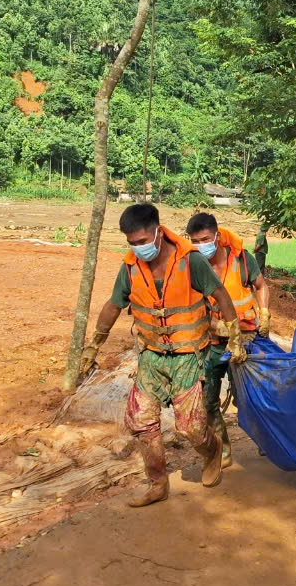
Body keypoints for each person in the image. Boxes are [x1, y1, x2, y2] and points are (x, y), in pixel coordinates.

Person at [76, 204, 248, 507]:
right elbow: (114, 305)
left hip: (187, 355)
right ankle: (157, 483)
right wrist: (93, 347)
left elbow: (220, 294)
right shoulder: (130, 267)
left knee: (191, 428)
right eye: (131, 243)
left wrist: (234, 338)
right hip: (152, 356)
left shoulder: (190, 261)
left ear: (158, 231)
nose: (137, 248)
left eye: (142, 241)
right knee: (141, 422)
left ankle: (212, 450)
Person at [186, 213, 270, 466]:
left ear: (217, 236)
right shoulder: (192, 267)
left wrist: (264, 313)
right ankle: (222, 449)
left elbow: (261, 286)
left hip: (245, 339)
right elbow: (190, 307)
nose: (201, 245)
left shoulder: (243, 260)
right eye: (195, 241)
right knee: (208, 399)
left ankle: (265, 439)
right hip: (210, 344)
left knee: (251, 395)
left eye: (205, 239)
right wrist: (218, 327)